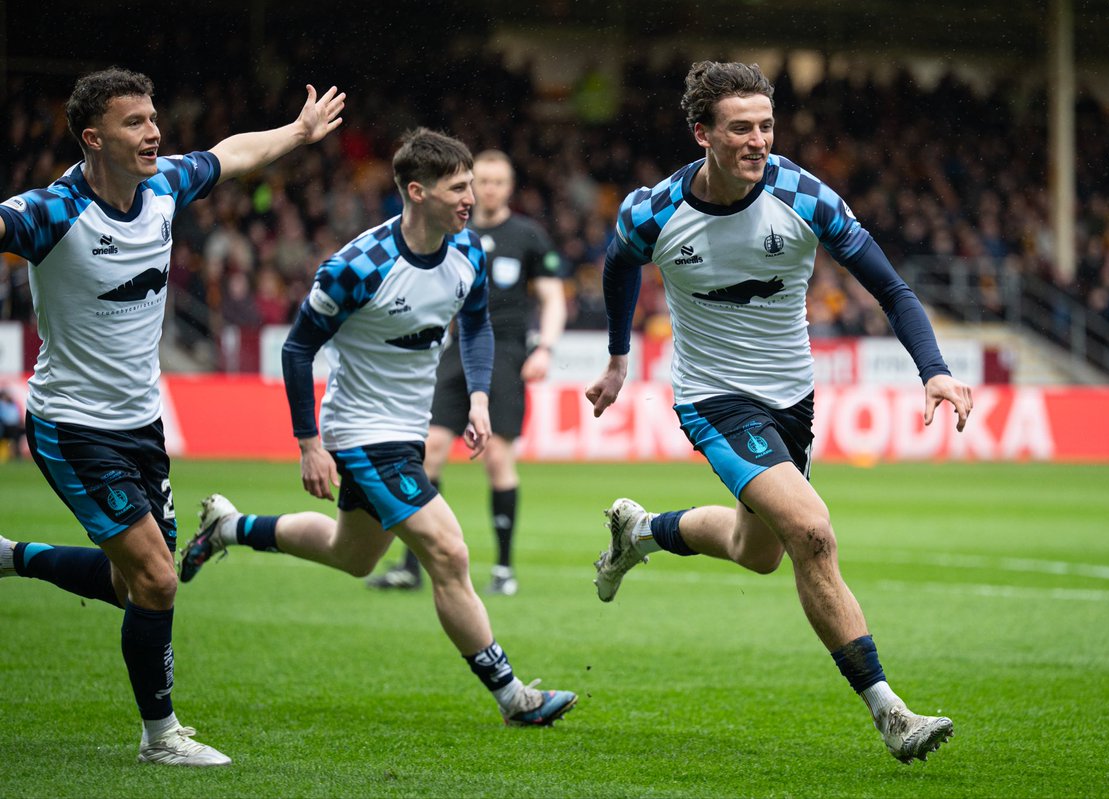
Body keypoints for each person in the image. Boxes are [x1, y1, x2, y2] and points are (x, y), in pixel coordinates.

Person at [586, 61, 974, 765]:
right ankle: (890, 712)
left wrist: (936, 370)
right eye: (740, 127)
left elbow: (892, 288)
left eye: (766, 125)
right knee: (812, 532)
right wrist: (618, 357)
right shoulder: (654, 211)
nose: (757, 139)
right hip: (713, 400)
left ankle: (639, 530)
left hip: (793, 403)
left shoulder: (804, 196)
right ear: (703, 133)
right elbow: (617, 267)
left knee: (755, 550)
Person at [0, 67, 345, 766]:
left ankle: (11, 556)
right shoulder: (50, 212)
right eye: (135, 122)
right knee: (158, 577)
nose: (153, 131)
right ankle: (161, 736)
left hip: (142, 426)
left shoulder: (162, 186)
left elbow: (232, 153)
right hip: (72, 425)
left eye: (153, 117)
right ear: (93, 138)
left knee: (135, 582)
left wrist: (299, 131)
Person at [177, 129, 576, 728]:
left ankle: (229, 527)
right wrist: (310, 443)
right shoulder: (357, 267)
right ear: (416, 191)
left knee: (353, 555)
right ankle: (513, 696)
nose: (471, 198)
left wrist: (477, 397)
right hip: (361, 433)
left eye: (471, 184)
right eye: (458, 187)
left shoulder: (468, 252)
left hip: (408, 429)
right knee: (448, 550)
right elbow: (296, 351)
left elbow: (476, 326)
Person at [367, 149, 566, 596]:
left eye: (498, 181)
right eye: (483, 181)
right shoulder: (456, 231)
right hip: (458, 351)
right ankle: (411, 565)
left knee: (497, 458)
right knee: (429, 450)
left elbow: (553, 297)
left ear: (510, 186)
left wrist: (546, 349)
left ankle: (503, 570)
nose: (489, 189)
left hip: (509, 353)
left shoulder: (529, 236)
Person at [0, 388, 24, 460]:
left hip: (14, 426)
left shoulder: (13, 404)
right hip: (4, 425)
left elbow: (17, 414)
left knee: (14, 441)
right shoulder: (1, 404)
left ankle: (14, 455)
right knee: (4, 440)